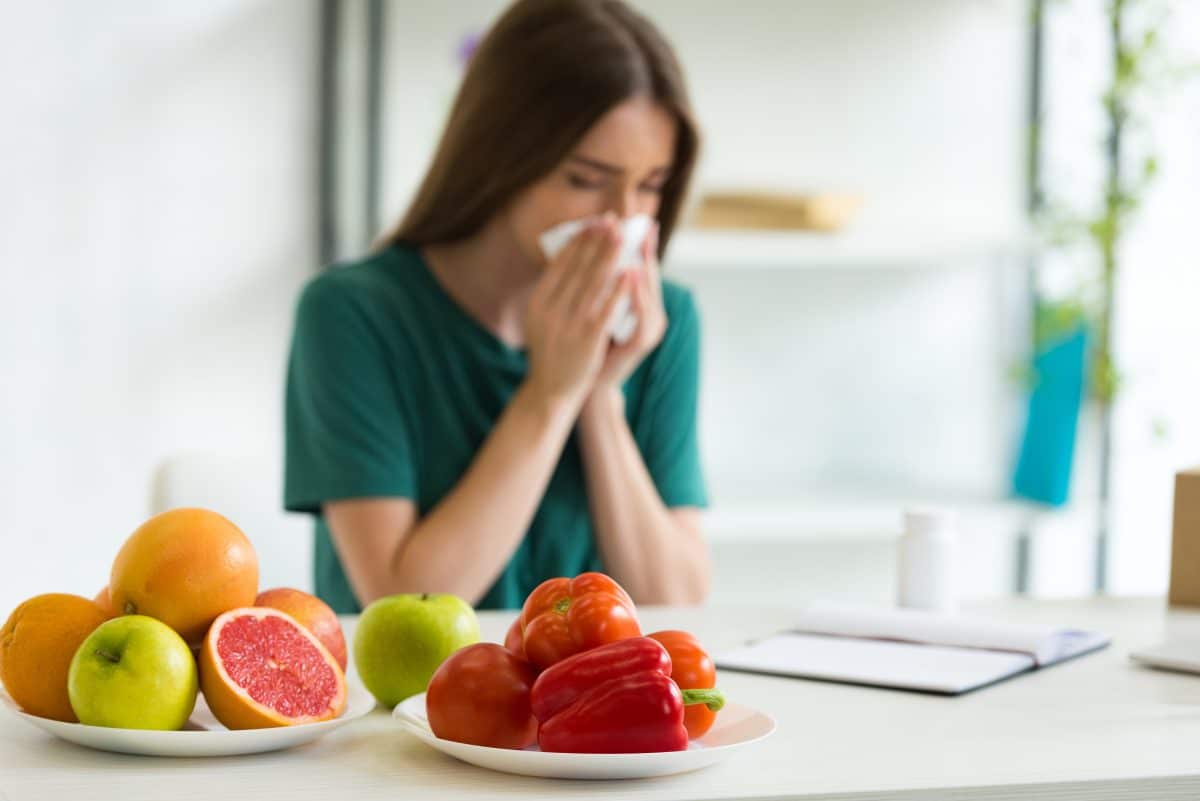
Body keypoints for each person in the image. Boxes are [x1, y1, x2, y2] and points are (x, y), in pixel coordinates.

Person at [284, 0, 710, 613]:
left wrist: (597, 397)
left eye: (649, 186)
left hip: (588, 704)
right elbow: (404, 607)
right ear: (501, 156)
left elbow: (676, 601)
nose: (622, 220)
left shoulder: (661, 323)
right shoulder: (352, 314)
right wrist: (549, 394)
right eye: (585, 180)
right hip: (407, 707)